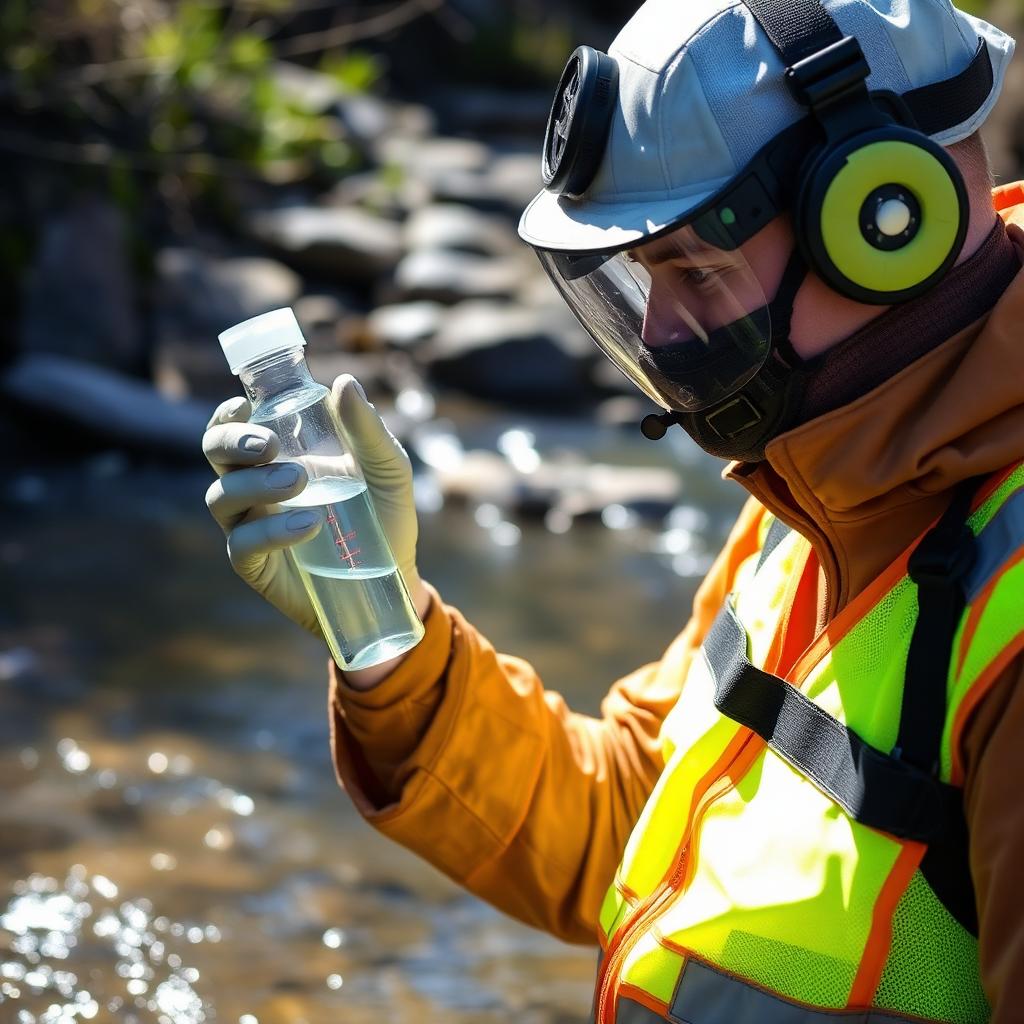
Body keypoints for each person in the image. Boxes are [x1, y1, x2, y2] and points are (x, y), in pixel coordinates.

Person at [202, 0, 1024, 1019]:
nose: (666, 331)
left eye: (697, 270)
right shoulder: (819, 479)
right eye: (646, 274)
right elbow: (626, 821)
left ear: (885, 216)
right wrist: (381, 626)